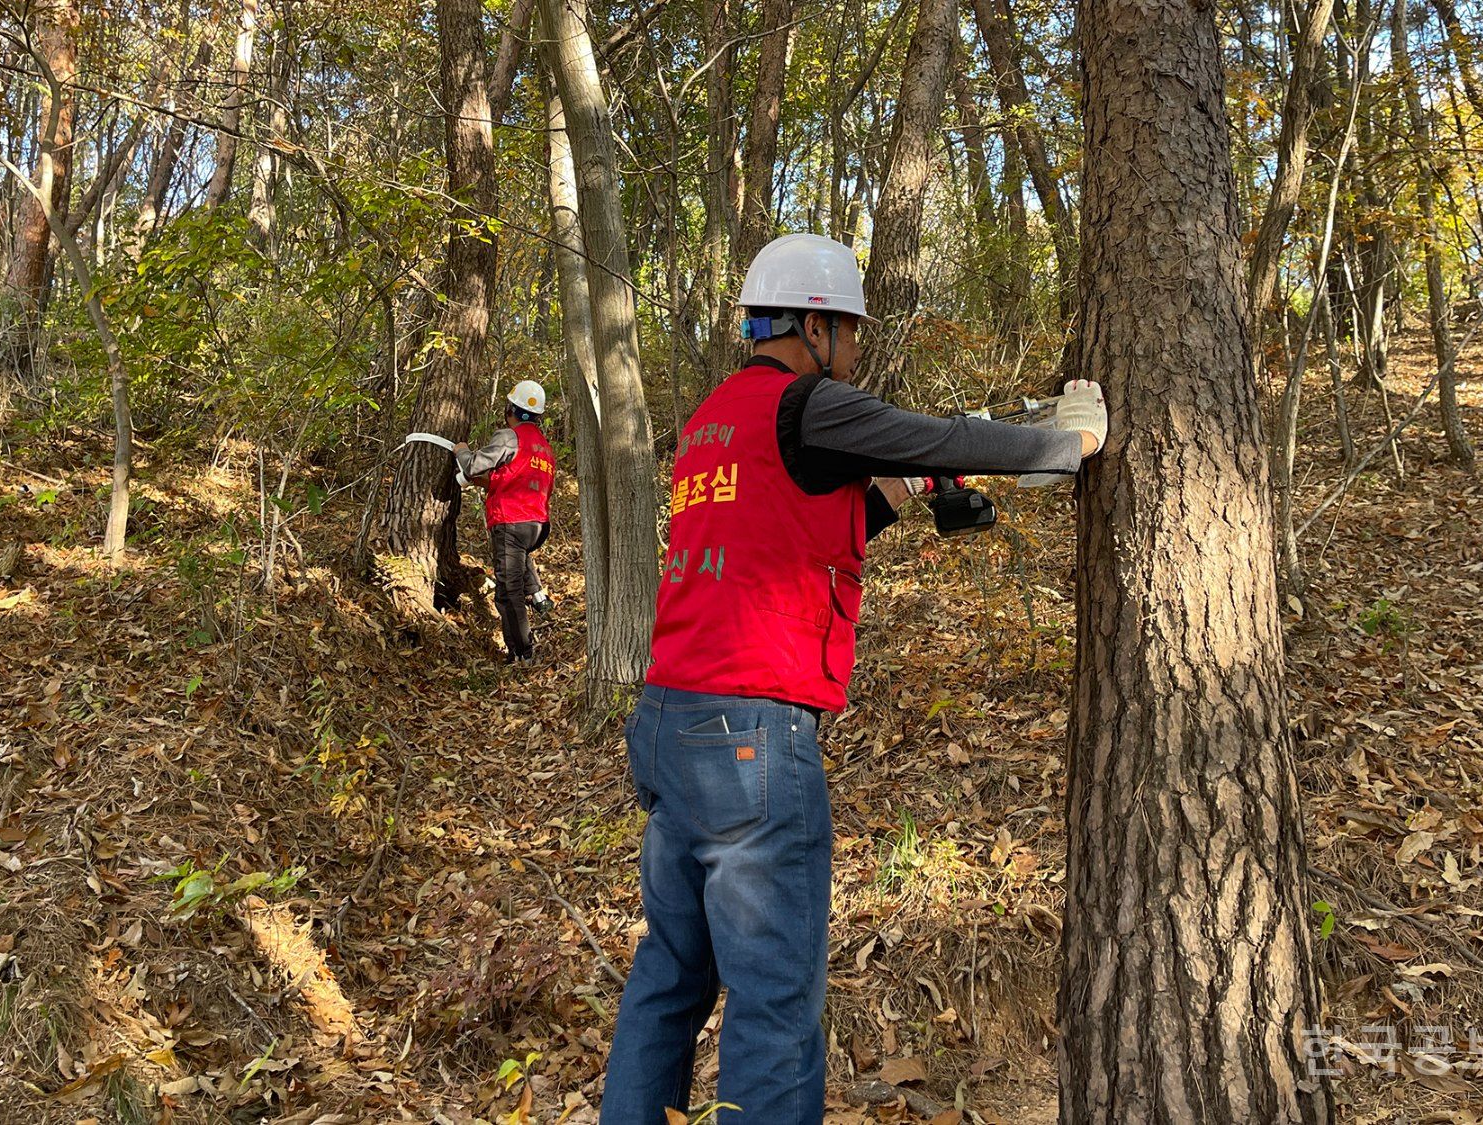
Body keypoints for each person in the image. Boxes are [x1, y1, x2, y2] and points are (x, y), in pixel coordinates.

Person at [599, 234, 1108, 1124]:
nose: (858, 353)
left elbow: (779, 541)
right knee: (774, 999)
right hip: (749, 741)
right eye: (851, 333)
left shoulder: (713, 421)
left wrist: (896, 494)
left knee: (670, 977)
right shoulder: (809, 405)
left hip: (668, 722)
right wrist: (1063, 444)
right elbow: (938, 432)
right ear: (812, 326)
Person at [455, 380, 557, 663]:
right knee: (518, 565)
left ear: (511, 408)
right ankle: (538, 597)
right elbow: (521, 480)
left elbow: (473, 464)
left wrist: (461, 450)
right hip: (536, 525)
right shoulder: (544, 447)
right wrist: (490, 483)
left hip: (511, 522)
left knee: (508, 593)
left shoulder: (510, 437)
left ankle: (522, 653)